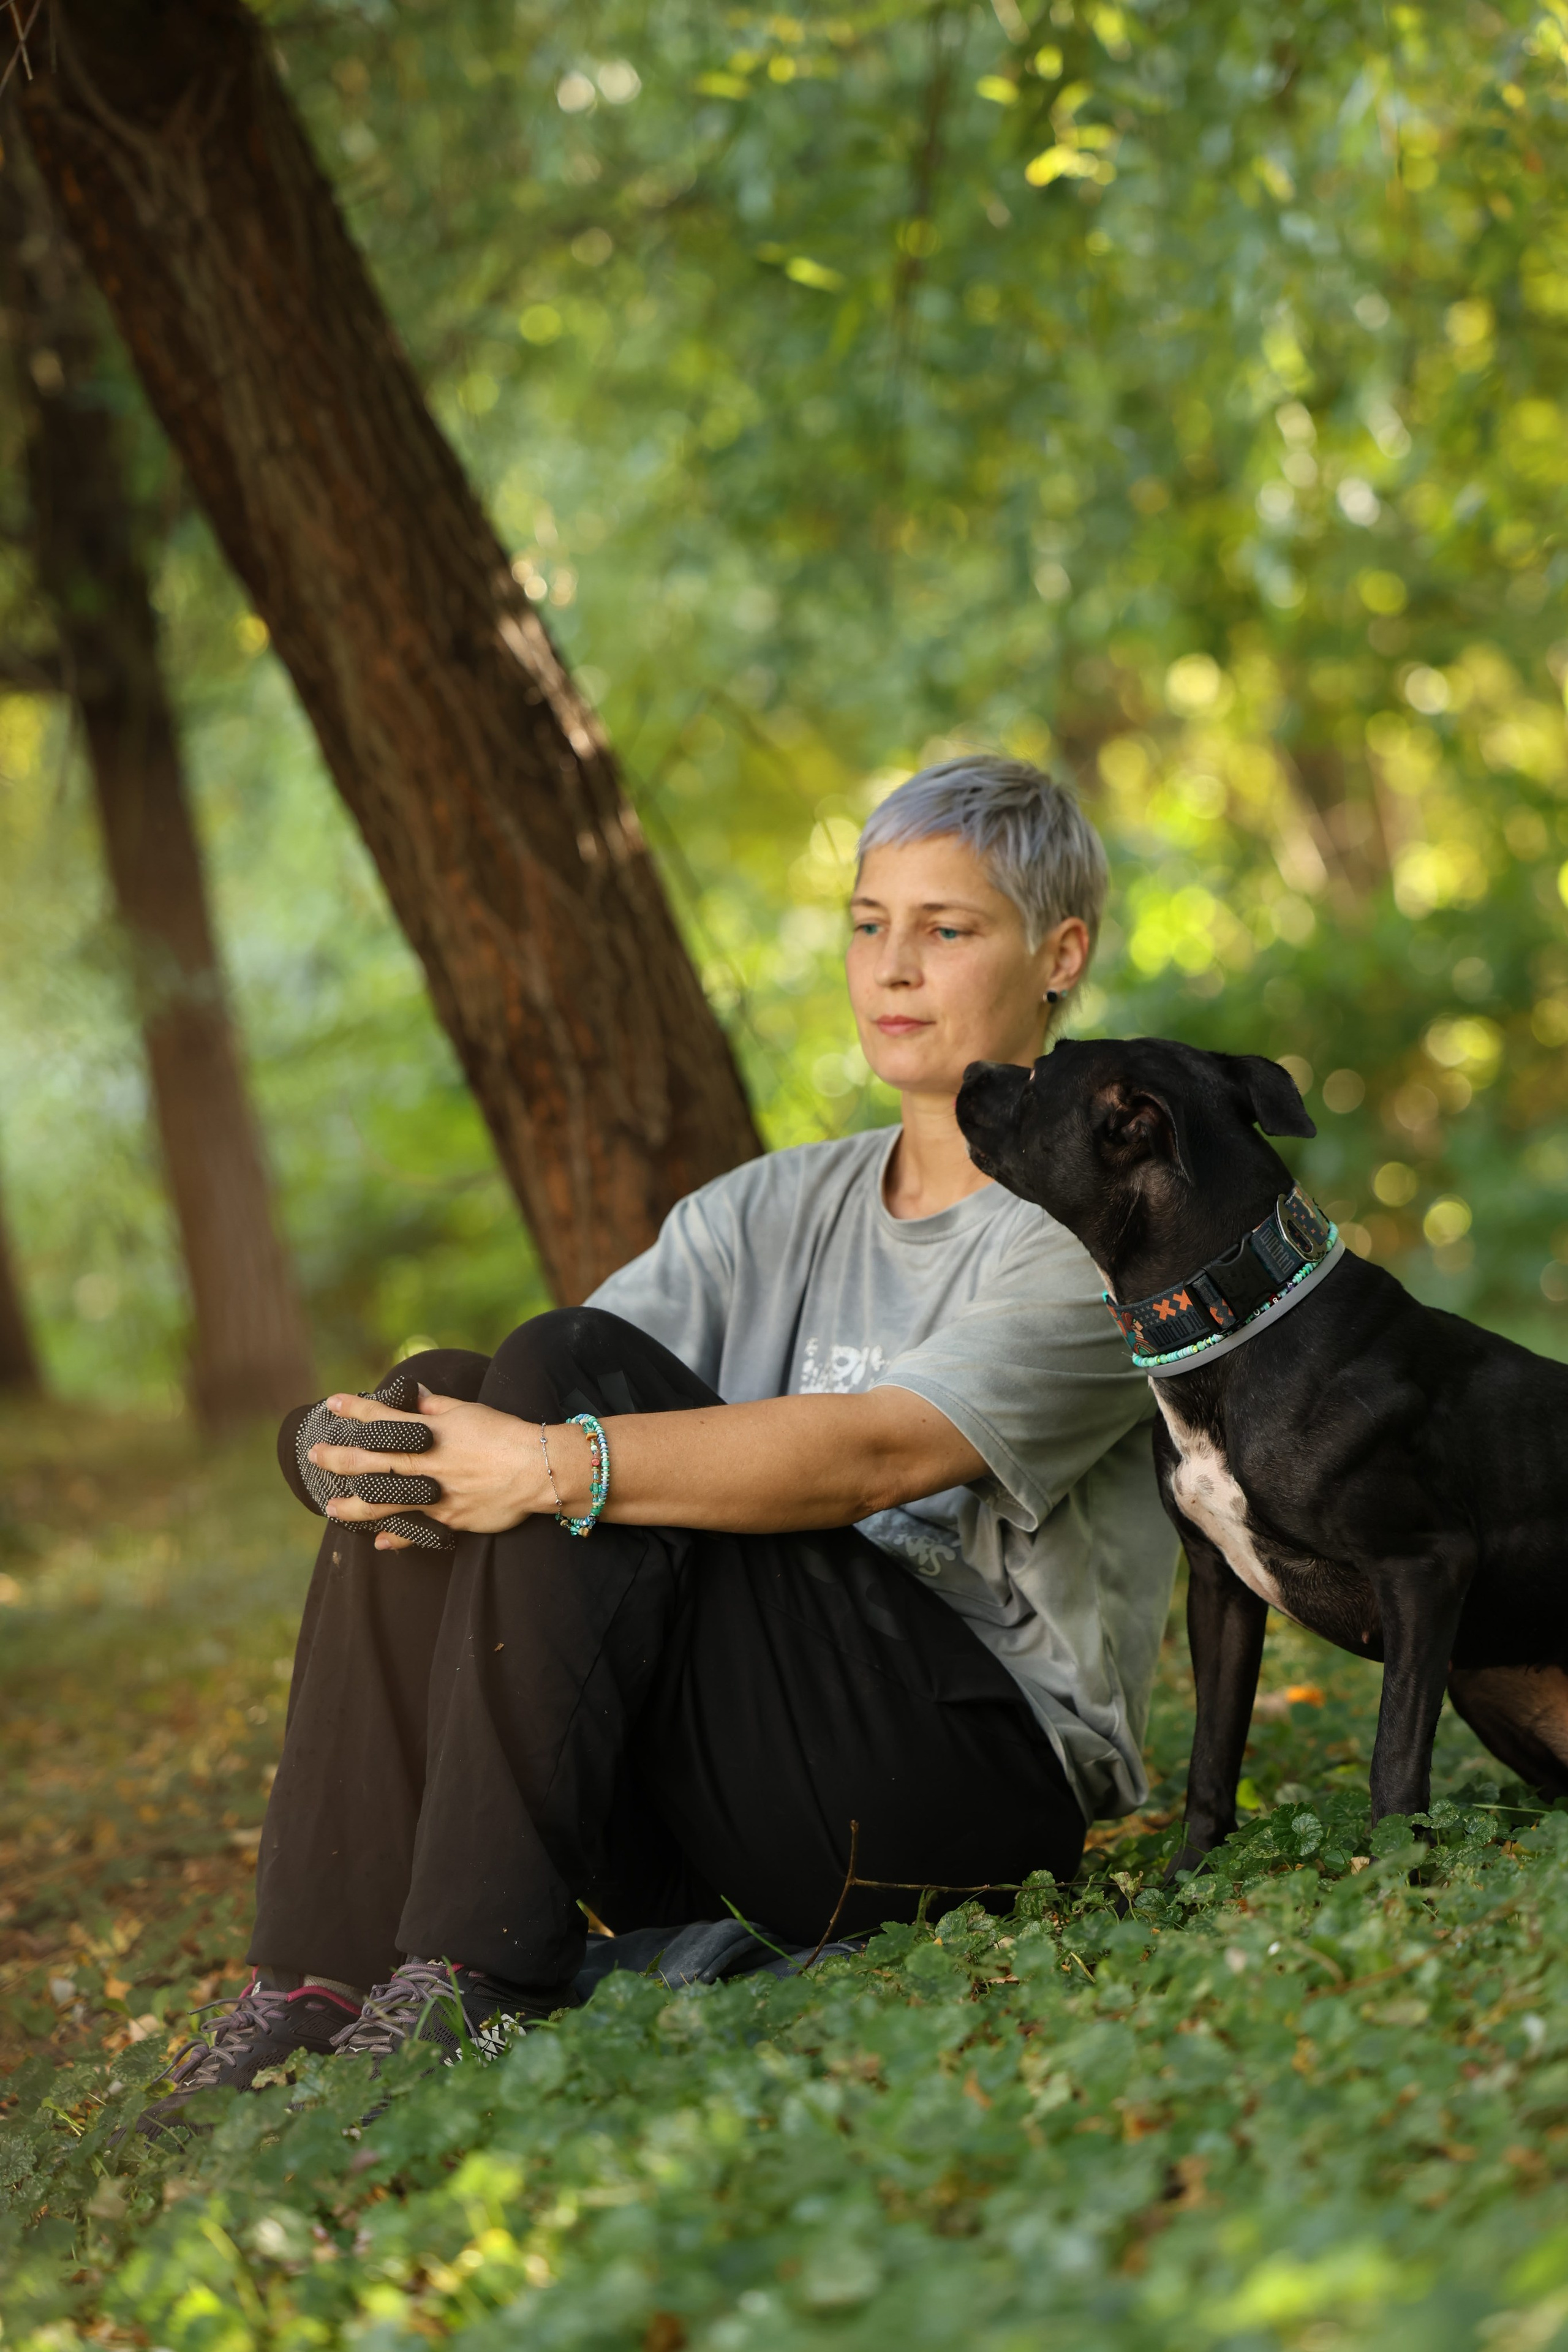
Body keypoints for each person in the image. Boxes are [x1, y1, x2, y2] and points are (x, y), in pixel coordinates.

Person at [154, 753, 1178, 2109]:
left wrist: (544, 1460)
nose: (893, 969)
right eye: (869, 925)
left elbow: (882, 1451)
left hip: (961, 1796)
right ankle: (315, 1983)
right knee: (478, 1374)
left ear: (1059, 953)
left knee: (562, 1401)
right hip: (726, 1794)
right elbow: (530, 1398)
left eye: (947, 929)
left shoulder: (1095, 1230)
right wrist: (349, 1444)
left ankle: (479, 1977)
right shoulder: (770, 1208)